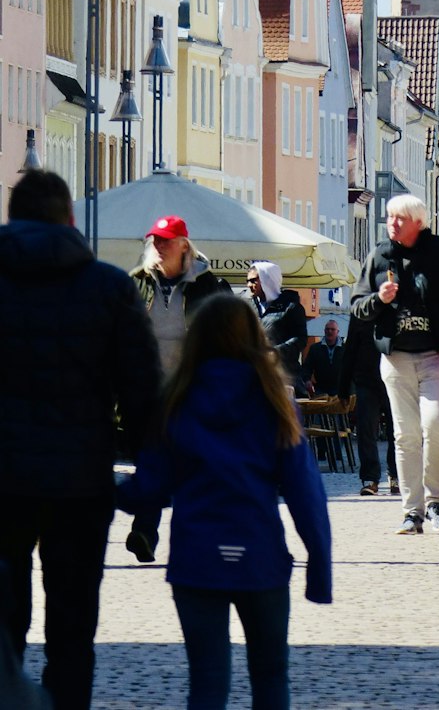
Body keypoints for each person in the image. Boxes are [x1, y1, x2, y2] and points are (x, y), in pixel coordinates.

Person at [118, 292, 331, 710]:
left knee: (208, 681)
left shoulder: (176, 401)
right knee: (270, 677)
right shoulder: (275, 402)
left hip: (196, 560)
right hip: (261, 557)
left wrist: (103, 490)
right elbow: (306, 492)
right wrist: (319, 568)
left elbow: (150, 489)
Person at [0, 170, 161, 710]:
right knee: (72, 631)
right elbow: (140, 391)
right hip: (80, 482)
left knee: (4, 627)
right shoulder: (109, 288)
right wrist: (150, 471)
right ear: (70, 220)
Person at [351, 194, 439, 534]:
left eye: (399, 218)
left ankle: (436, 502)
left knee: (436, 425)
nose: (392, 223)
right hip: (396, 357)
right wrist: (379, 298)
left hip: (438, 353)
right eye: (390, 217)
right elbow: (357, 306)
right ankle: (412, 511)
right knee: (405, 435)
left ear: (418, 222)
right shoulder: (379, 255)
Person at [128, 214, 231, 563]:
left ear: (184, 246)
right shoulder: (136, 284)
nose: (158, 246)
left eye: (166, 240)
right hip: (147, 389)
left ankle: (193, 537)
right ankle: (144, 530)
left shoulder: (208, 285)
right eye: (154, 240)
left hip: (192, 389)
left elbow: (225, 336)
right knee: (150, 461)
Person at [338, 314, 398, 497]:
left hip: (396, 380)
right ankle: (370, 479)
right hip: (366, 381)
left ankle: (396, 475)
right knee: (366, 431)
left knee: (398, 432)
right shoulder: (360, 313)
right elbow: (350, 350)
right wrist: (343, 388)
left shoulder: (399, 306)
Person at [246, 262, 308, 393]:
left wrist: (275, 353)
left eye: (253, 281)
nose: (249, 285)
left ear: (266, 280)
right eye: (248, 281)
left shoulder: (291, 307)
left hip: (283, 377)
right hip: (254, 375)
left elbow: (300, 339)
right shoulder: (247, 307)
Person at [302, 319, 343, 396]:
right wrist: (307, 380)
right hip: (321, 390)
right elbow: (307, 368)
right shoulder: (315, 348)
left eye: (332, 329)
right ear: (324, 331)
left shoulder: (345, 349)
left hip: (340, 390)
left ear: (337, 332)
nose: (329, 331)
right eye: (327, 329)